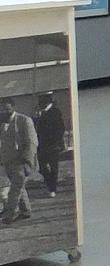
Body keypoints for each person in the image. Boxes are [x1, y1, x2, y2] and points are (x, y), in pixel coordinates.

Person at [0, 97, 37, 226]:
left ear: (13, 107)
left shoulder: (24, 120)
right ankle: (26, 211)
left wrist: (27, 162)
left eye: (7, 109)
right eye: (2, 109)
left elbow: (32, 143)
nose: (4, 112)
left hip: (21, 162)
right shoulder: (2, 123)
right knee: (19, 187)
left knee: (14, 190)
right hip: (8, 163)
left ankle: (9, 215)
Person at [32, 93, 64, 198]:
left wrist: (57, 142)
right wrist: (36, 119)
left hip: (53, 145)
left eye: (41, 101)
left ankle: (52, 189)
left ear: (47, 101)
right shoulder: (40, 113)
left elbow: (60, 128)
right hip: (42, 146)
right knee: (41, 167)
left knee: (54, 168)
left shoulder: (55, 112)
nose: (39, 104)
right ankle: (50, 183)